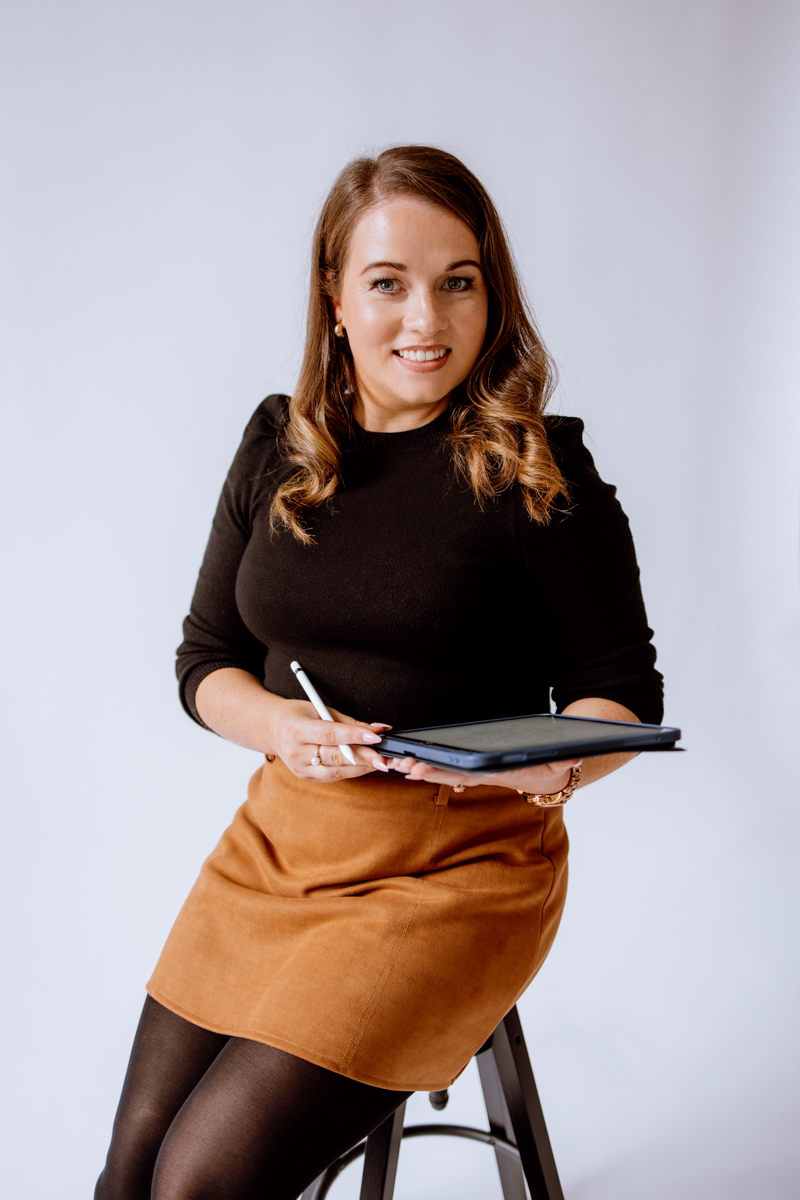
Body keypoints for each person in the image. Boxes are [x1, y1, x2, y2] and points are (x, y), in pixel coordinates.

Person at [95, 145, 662, 1200]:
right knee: (128, 1176)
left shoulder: (536, 467)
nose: (426, 321)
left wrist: (554, 771)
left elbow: (619, 694)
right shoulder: (278, 442)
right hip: (274, 853)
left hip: (453, 874)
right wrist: (278, 728)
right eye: (388, 283)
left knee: (197, 1186)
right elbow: (205, 660)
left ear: (490, 290)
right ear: (334, 294)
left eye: (458, 281)